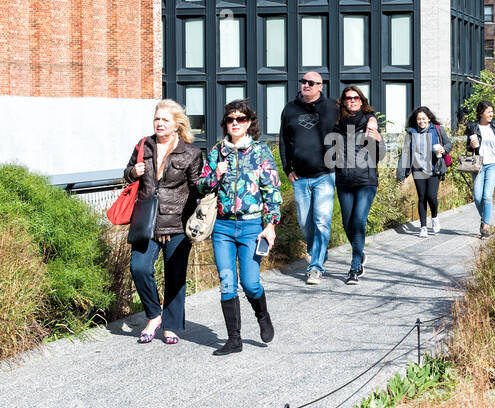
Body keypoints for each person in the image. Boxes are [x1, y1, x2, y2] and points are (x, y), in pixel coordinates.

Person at [198, 100, 282, 356]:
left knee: (250, 283)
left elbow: (272, 190)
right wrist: (216, 174)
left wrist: (271, 225)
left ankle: (262, 314)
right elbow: (201, 185)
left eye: (241, 119)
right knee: (226, 282)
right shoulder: (216, 152)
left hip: (251, 227)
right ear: (225, 123)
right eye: (231, 119)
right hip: (223, 227)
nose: (235, 123)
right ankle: (234, 340)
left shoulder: (260, 152)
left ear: (249, 123)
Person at [123, 99, 203, 345]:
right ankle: (154, 315)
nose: (159, 123)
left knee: (175, 275)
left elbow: (196, 188)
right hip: (146, 220)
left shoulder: (191, 152)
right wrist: (132, 173)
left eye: (165, 120)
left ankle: (171, 326)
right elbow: (127, 174)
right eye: (157, 119)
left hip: (178, 222)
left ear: (177, 124)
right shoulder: (143, 145)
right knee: (139, 267)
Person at [279, 71, 338, 285]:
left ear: (320, 86)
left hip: (325, 175)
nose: (306, 85)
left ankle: (315, 266)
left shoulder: (332, 108)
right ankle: (319, 252)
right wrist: (287, 169)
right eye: (303, 81)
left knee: (322, 221)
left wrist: (371, 125)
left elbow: (349, 127)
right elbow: (283, 141)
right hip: (300, 177)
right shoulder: (290, 109)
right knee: (305, 223)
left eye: (311, 83)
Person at [333, 85, 386, 285]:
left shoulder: (369, 123)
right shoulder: (337, 122)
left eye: (356, 98)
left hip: (366, 180)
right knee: (348, 224)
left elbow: (379, 155)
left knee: (358, 221)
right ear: (343, 101)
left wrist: (379, 140)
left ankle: (355, 266)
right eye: (348, 98)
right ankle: (359, 252)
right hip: (344, 180)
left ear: (362, 100)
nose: (352, 100)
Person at [396, 106, 451, 237]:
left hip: (434, 168)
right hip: (418, 168)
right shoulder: (411, 132)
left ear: (429, 118)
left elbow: (449, 144)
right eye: (419, 119)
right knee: (422, 197)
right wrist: (401, 173)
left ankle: (435, 218)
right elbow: (405, 152)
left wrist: (443, 149)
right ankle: (423, 227)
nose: (421, 121)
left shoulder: (437, 130)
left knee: (431, 196)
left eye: (423, 119)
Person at [463, 100, 495, 238]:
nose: (491, 114)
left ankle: (485, 225)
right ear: (481, 113)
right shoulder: (472, 127)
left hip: (494, 164)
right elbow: (467, 147)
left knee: (486, 196)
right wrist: (471, 146)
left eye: (492, 111)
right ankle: (484, 217)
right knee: (477, 197)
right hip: (478, 165)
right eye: (488, 112)